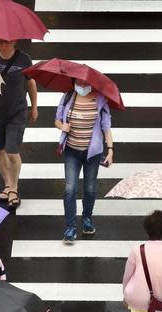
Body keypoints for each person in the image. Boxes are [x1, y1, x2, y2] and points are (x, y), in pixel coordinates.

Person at [55, 80, 114, 243]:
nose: (81, 86)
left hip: (92, 153)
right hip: (71, 151)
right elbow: (57, 119)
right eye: (78, 82)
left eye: (85, 83)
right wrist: (62, 126)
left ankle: (87, 219)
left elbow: (106, 127)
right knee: (69, 188)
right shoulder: (68, 97)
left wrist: (110, 149)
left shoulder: (101, 100)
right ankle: (70, 228)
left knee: (90, 188)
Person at [0, 38, 38, 209]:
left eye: (7, 42)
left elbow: (30, 83)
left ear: (14, 42)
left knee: (12, 152)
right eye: (0, 42)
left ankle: (14, 188)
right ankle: (8, 184)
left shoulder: (24, 59)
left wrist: (34, 107)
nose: (3, 45)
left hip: (17, 112)